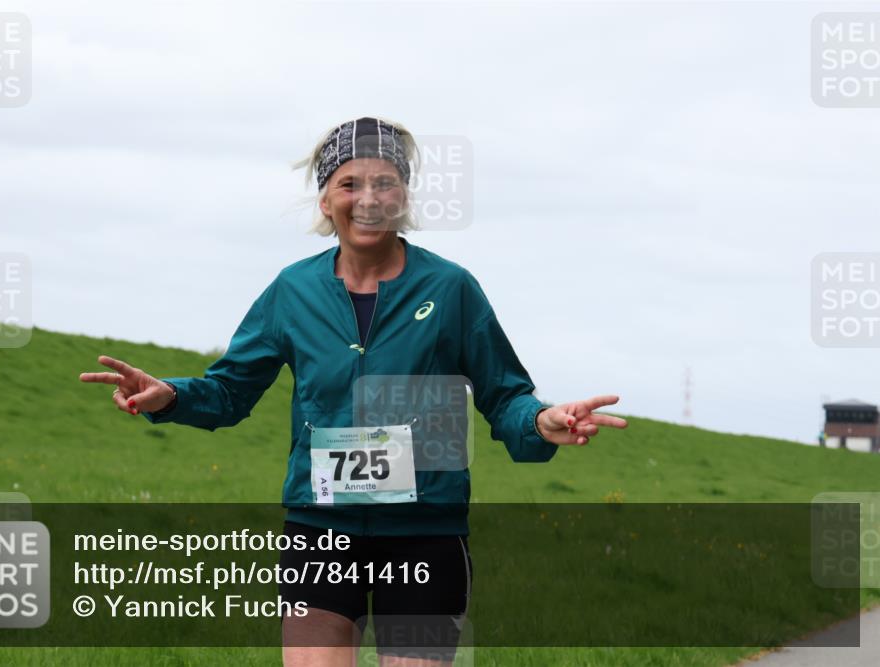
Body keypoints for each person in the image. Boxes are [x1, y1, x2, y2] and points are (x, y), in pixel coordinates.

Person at [80, 117, 628, 666]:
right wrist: (169, 396)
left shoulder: (451, 288)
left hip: (424, 534)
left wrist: (540, 423)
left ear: (404, 196)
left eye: (384, 183)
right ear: (325, 201)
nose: (368, 198)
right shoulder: (291, 290)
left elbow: (505, 395)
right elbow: (229, 391)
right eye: (349, 184)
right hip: (321, 531)